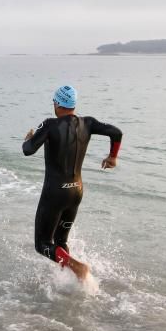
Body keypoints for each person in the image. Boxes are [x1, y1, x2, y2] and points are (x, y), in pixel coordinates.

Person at [22, 84, 122, 280]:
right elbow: (116, 132)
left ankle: (78, 268)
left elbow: (28, 150)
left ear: (58, 103)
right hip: (76, 191)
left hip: (55, 193)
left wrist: (29, 138)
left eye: (54, 102)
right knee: (60, 240)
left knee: (42, 244)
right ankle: (71, 282)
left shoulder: (50, 124)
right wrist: (113, 157)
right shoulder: (88, 123)